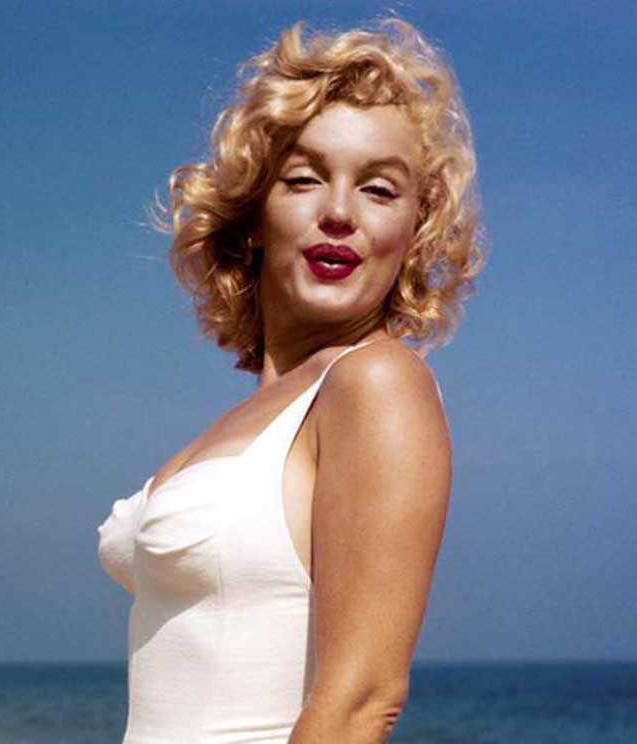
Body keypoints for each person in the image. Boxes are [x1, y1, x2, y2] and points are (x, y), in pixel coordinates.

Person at [98, 16, 485, 744]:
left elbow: (361, 702)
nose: (338, 212)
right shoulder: (275, 408)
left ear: (415, 230)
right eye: (304, 179)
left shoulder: (376, 384)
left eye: (379, 190)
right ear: (253, 215)